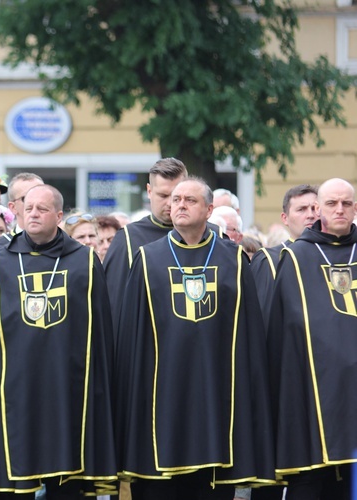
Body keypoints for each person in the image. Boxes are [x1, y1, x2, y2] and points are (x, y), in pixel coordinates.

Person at [115, 177, 275, 498]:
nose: (180, 206)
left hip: (218, 395)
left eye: (190, 200)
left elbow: (249, 336)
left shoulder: (233, 258)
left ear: (209, 209)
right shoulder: (148, 259)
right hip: (162, 397)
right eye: (176, 200)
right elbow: (132, 339)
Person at [0, 184, 117, 497]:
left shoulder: (85, 262)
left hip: (67, 387)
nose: (33, 214)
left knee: (67, 481)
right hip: (12, 388)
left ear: (59, 216)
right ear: (18, 212)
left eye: (42, 209)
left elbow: (99, 335)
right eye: (29, 208)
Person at [267, 178, 357, 499]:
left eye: (347, 203)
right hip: (316, 391)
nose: (340, 209)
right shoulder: (296, 257)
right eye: (332, 203)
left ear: (355, 208)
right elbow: (283, 332)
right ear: (319, 209)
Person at [102, 158, 188, 329]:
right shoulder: (128, 239)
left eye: (177, 196)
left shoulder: (211, 235)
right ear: (149, 191)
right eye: (163, 196)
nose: (171, 203)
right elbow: (114, 309)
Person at [249, 184, 318, 323]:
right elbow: (263, 319)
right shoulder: (269, 260)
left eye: (315, 209)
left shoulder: (336, 256)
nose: (310, 215)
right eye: (301, 209)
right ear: (285, 218)